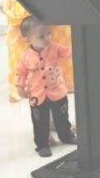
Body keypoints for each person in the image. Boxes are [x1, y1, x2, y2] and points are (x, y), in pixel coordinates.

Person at [15, 15, 77, 157]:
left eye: (48, 33)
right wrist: (20, 87)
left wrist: (79, 46)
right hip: (37, 96)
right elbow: (21, 73)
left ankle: (66, 136)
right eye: (41, 36)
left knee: (62, 117)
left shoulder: (55, 48)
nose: (47, 38)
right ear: (27, 39)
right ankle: (42, 144)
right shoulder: (25, 57)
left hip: (58, 92)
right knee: (39, 122)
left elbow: (69, 52)